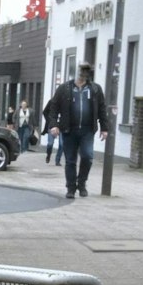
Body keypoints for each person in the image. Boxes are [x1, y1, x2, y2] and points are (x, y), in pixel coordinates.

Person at [41, 63, 113, 199]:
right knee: (70, 160)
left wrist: (104, 128)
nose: (83, 75)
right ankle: (71, 188)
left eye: (86, 72)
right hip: (69, 130)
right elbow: (53, 108)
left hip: (87, 130)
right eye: (81, 72)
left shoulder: (95, 89)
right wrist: (54, 125)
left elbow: (102, 109)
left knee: (87, 156)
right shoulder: (64, 88)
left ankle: (82, 182)